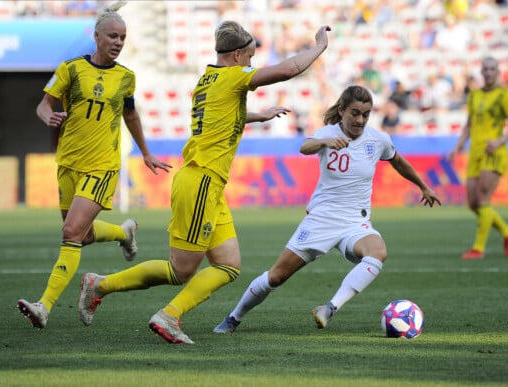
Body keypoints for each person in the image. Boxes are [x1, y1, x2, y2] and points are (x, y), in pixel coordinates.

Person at [77, 20, 331, 344]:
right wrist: (319, 46)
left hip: (210, 186)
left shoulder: (207, 80)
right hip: (201, 182)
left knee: (228, 265)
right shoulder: (232, 76)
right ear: (238, 54)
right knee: (179, 271)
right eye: (250, 58)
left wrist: (256, 115)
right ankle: (107, 288)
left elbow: (220, 115)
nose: (250, 65)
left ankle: (164, 312)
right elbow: (285, 70)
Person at [213, 85, 441, 334]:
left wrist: (423, 187)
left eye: (365, 114)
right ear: (342, 111)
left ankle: (329, 308)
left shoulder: (378, 140)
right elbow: (305, 147)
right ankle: (234, 318)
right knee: (276, 277)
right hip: (321, 220)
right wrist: (326, 141)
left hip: (355, 222)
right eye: (355, 113)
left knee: (378, 252)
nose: (360, 120)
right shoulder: (328, 133)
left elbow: (397, 160)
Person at [17, 0, 172, 329]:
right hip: (68, 163)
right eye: (113, 36)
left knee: (71, 232)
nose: (118, 42)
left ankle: (44, 306)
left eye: (123, 38)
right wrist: (50, 117)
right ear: (97, 36)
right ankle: (123, 232)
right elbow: (44, 105)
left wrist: (145, 152)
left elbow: (130, 114)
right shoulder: (70, 69)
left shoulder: (126, 77)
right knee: (83, 236)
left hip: (102, 166)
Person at [447, 56, 508, 259]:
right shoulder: (474, 95)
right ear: (481, 72)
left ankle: (478, 248)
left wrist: (498, 141)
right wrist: (458, 146)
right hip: (476, 153)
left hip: (494, 152)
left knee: (483, 198)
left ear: (497, 71)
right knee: (472, 203)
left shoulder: (504, 95)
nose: (488, 72)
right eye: (485, 69)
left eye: (492, 69)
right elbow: (469, 125)